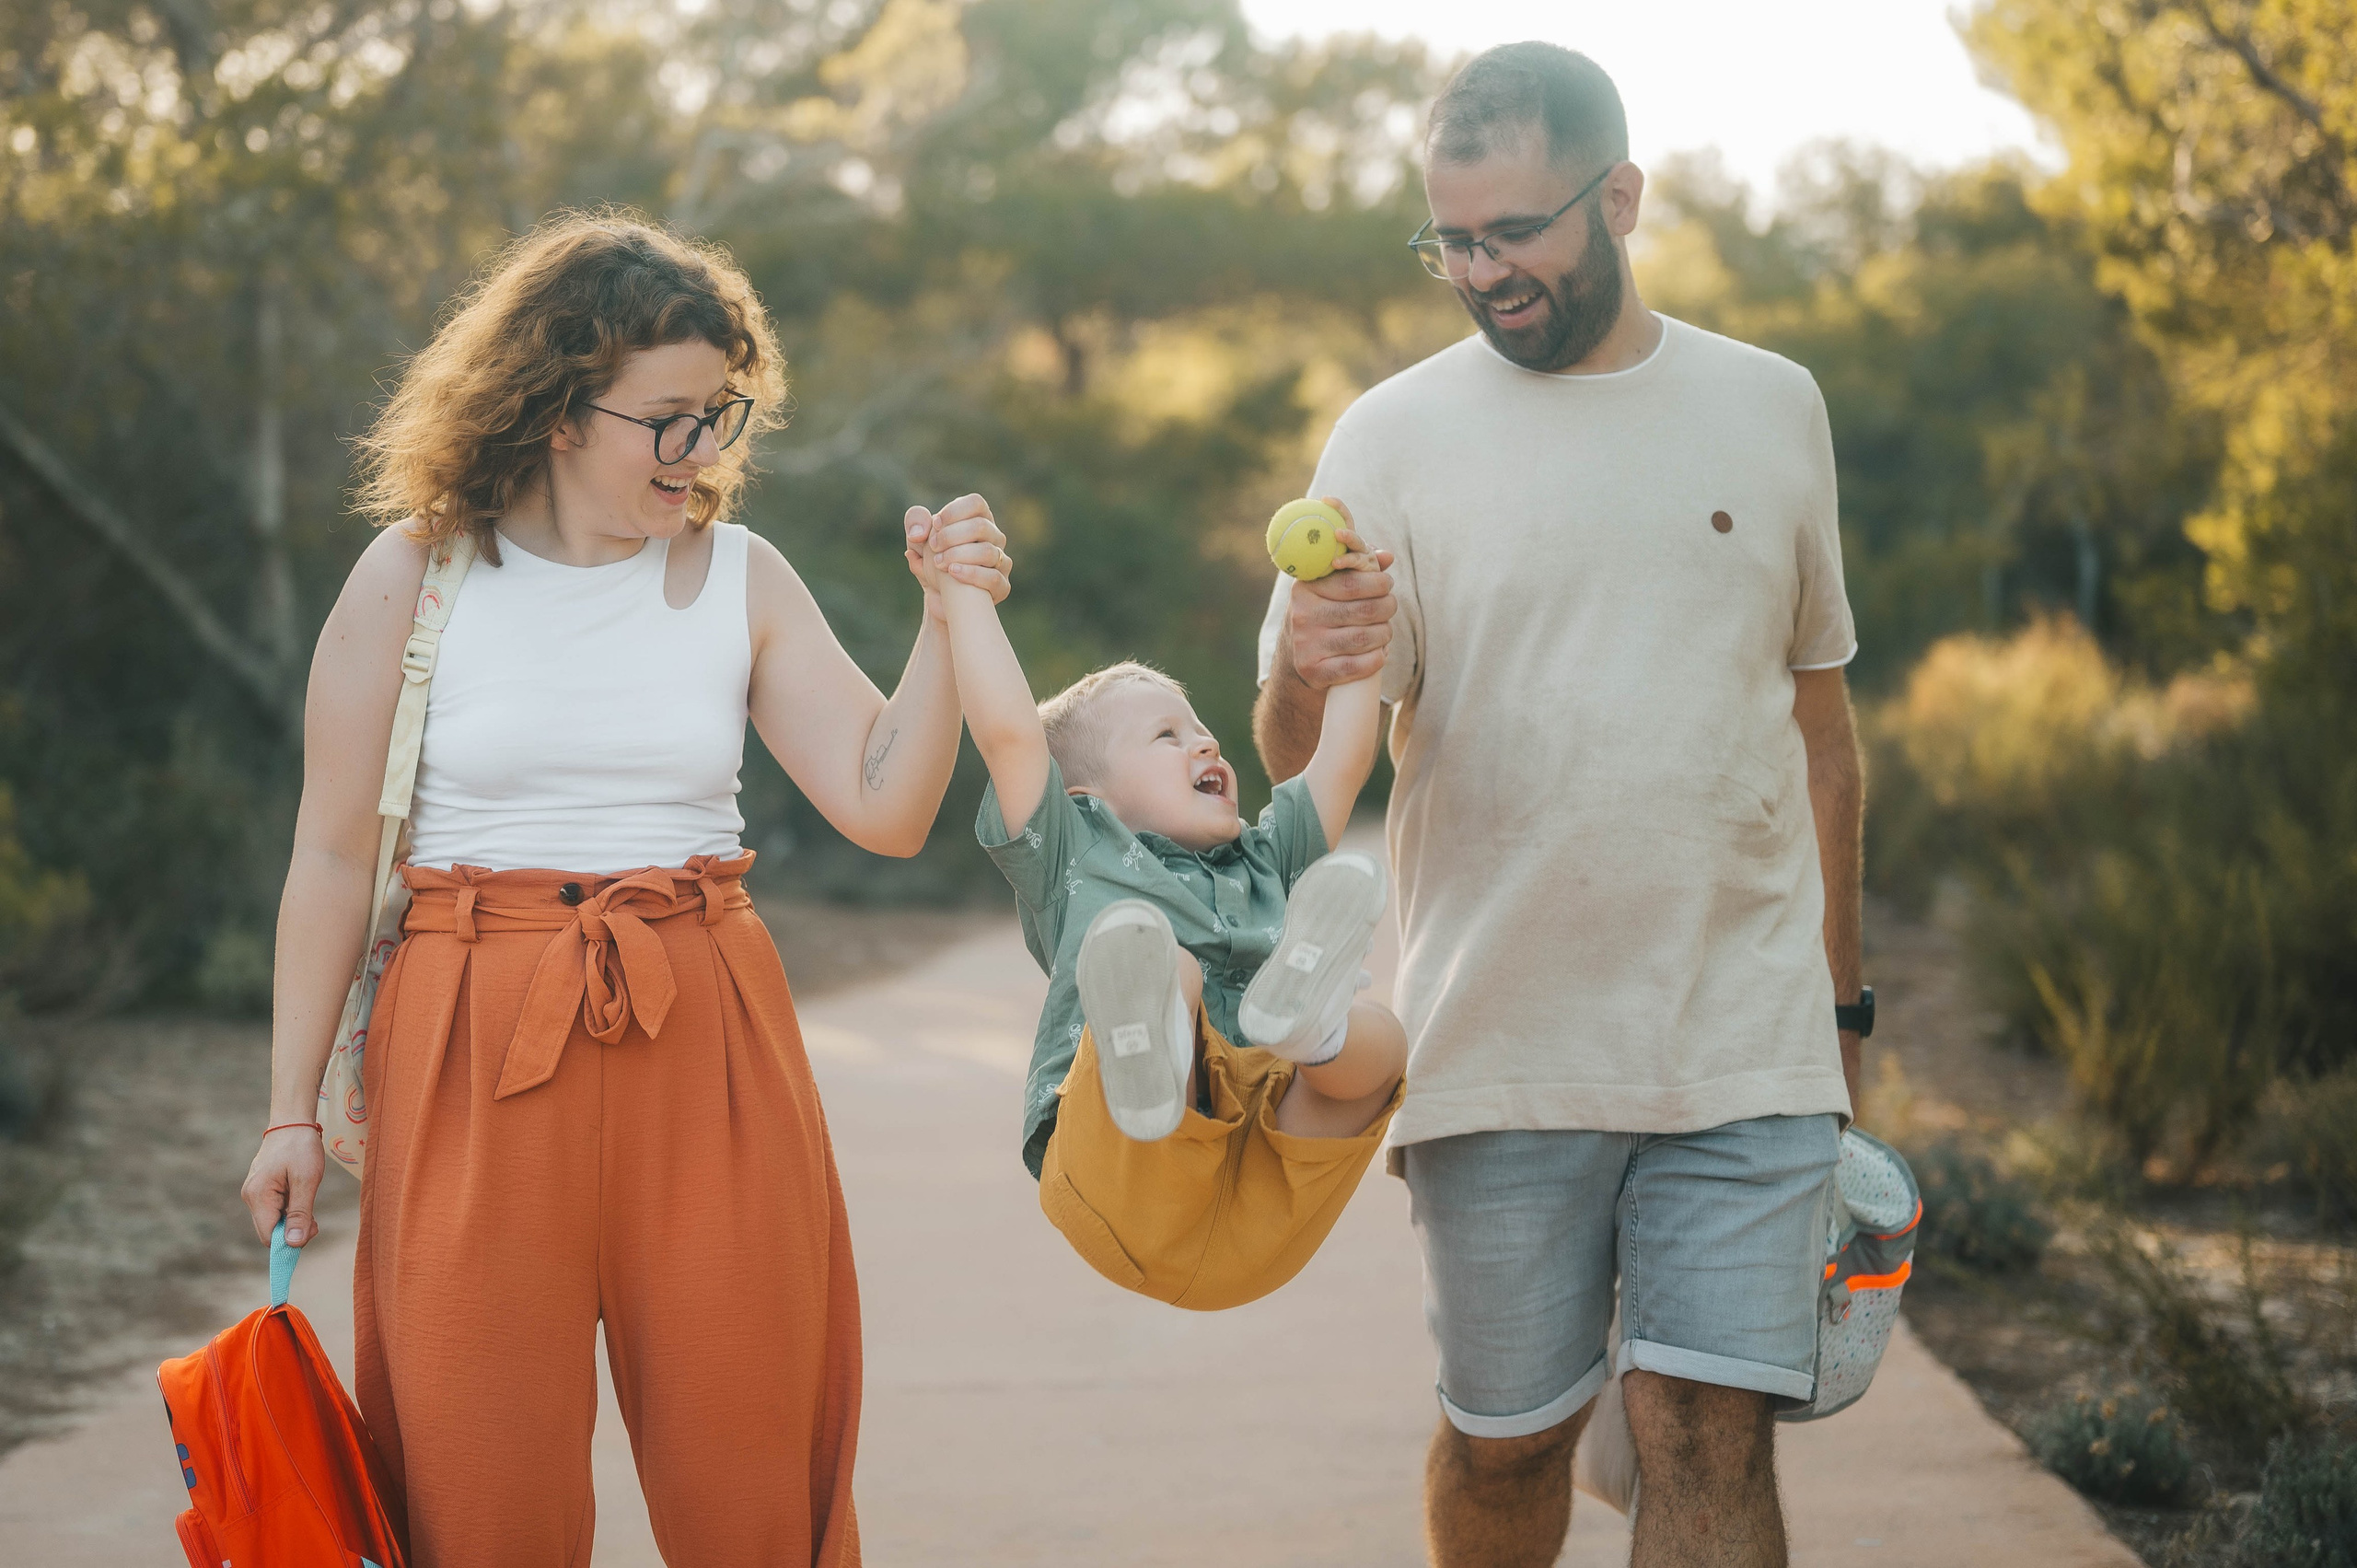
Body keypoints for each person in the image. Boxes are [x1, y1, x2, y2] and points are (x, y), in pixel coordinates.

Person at [236, 214, 1014, 1567]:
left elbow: (887, 804)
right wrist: (289, 1110)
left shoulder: (741, 575)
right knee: (479, 1487)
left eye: (719, 412)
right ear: (552, 407)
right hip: (471, 1023)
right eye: (665, 419)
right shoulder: (416, 573)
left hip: (703, 1011)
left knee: (751, 1475)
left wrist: (951, 621)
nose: (701, 450)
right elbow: (330, 853)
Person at [1252, 44, 1870, 1568]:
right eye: (1452, 239)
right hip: (1502, 1028)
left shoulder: (1773, 406)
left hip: (1744, 1035)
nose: (1483, 271)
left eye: (1517, 231)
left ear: (1623, 197)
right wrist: (1297, 664)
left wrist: (1840, 1018)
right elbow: (1299, 757)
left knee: (1706, 1431)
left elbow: (1822, 736)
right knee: (1510, 1436)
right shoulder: (1389, 436)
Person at [931, 513, 1407, 1311]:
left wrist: (1355, 629)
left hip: (1262, 1181)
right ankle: (1149, 1048)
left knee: (1381, 1041)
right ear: (1086, 795)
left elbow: (1346, 757)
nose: (1205, 747)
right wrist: (963, 590)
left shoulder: (1267, 859)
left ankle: (1312, 1025)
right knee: (1159, 956)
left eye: (1203, 731)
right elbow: (1010, 734)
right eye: (1166, 734)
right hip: (1123, 1174)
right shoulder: (1073, 852)